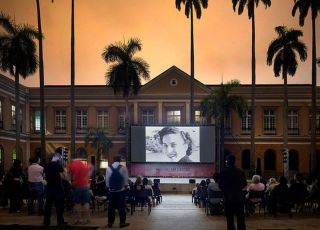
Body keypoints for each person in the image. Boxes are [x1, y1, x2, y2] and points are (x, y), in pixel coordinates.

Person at [219, 154, 247, 230]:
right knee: (241, 218)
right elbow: (244, 183)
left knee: (230, 220)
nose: (225, 162)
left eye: (226, 160)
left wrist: (227, 189)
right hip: (239, 197)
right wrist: (237, 188)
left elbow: (220, 185)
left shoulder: (223, 172)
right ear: (234, 162)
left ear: (227, 161)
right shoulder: (240, 172)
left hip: (228, 199)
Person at [43, 153, 68, 226]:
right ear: (56, 158)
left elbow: (44, 177)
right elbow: (63, 177)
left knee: (48, 206)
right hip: (58, 188)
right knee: (59, 207)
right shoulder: (58, 166)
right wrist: (65, 172)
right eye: (59, 158)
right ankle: (60, 222)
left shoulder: (46, 166)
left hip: (49, 188)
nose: (60, 159)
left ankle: (46, 222)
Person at [105, 155, 130, 228]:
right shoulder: (123, 168)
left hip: (111, 191)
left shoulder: (108, 168)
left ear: (113, 160)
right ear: (119, 160)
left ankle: (110, 223)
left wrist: (109, 189)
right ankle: (122, 223)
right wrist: (125, 188)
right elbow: (126, 181)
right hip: (120, 191)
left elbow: (107, 181)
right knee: (121, 207)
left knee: (111, 208)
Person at [68, 154, 92, 225]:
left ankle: (79, 219)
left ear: (72, 159)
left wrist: (70, 183)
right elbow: (89, 172)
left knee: (77, 203)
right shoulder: (83, 164)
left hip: (77, 186)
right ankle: (88, 219)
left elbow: (68, 176)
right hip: (85, 186)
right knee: (86, 202)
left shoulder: (71, 164)